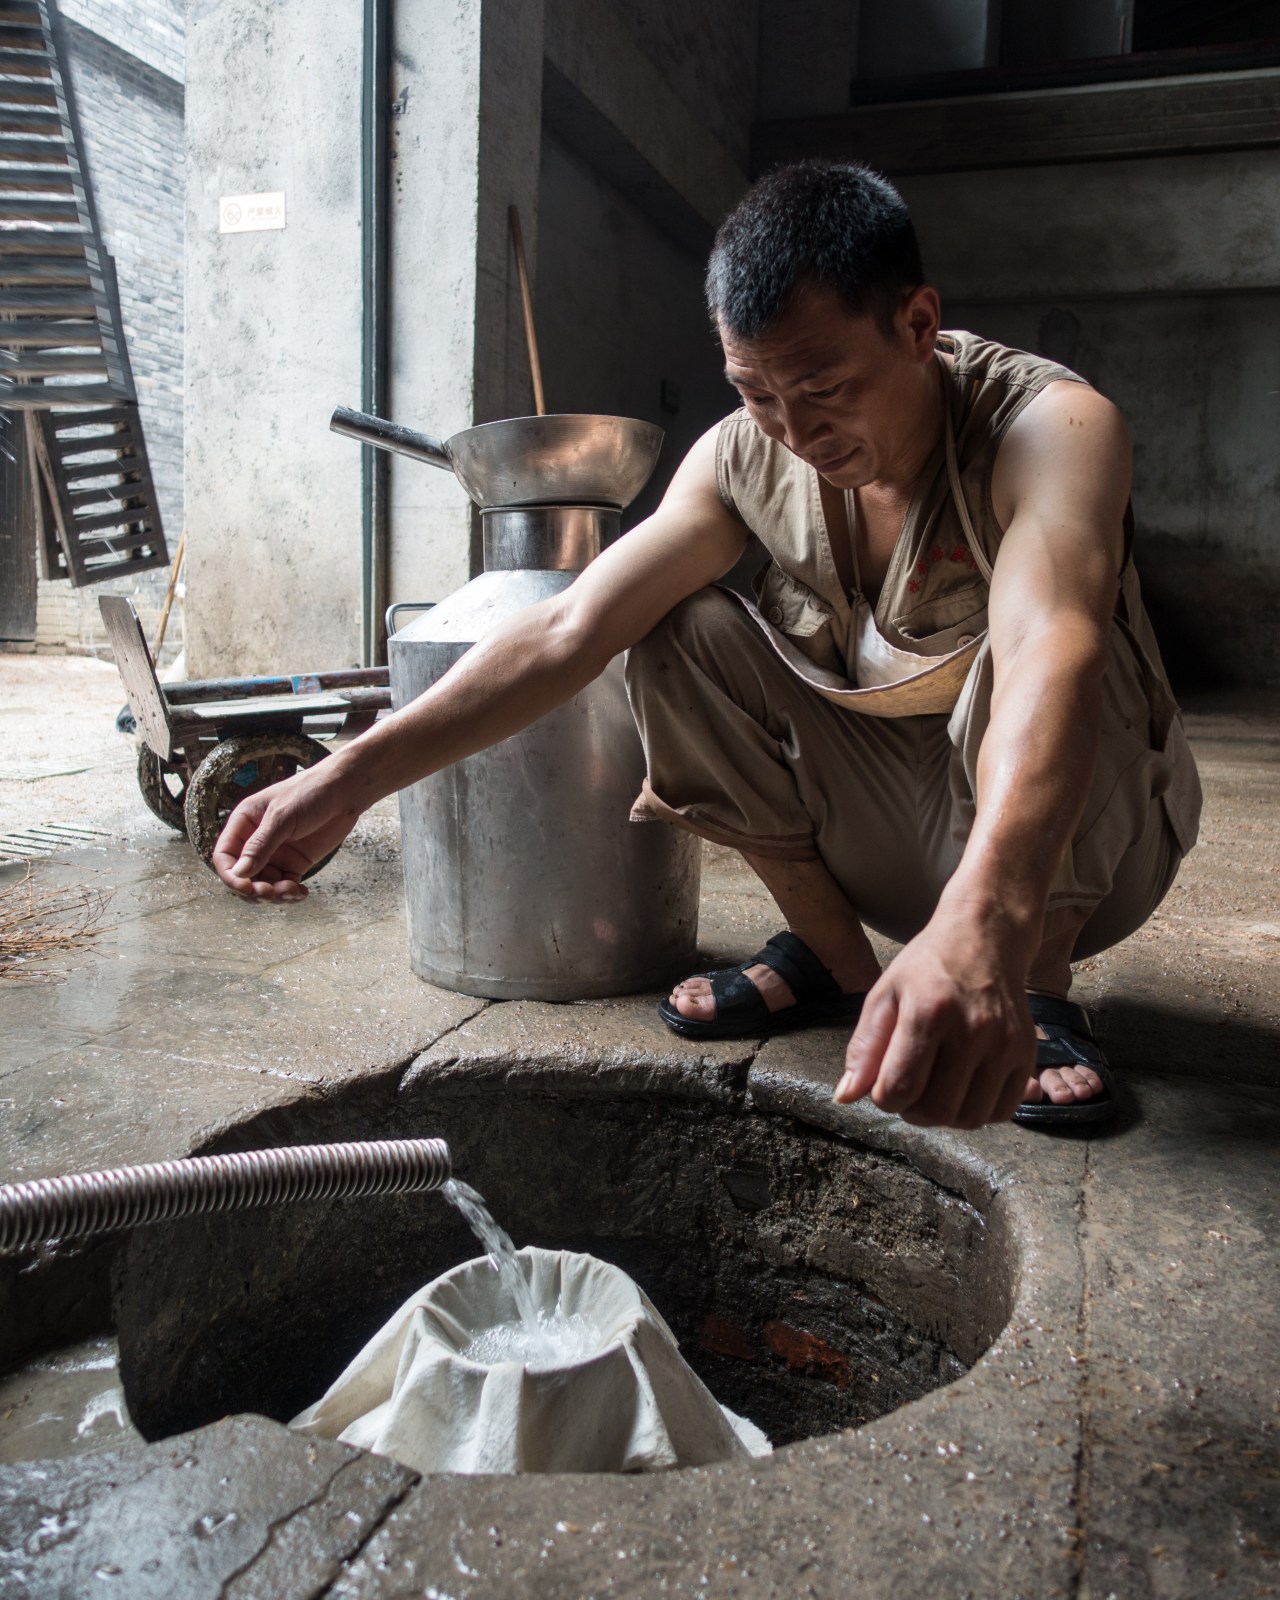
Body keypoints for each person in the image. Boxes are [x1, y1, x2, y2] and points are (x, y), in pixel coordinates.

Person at [212, 161, 1201, 1133]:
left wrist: (985, 922)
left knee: (1075, 642)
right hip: (889, 832)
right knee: (673, 628)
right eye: (757, 392)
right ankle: (830, 961)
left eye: (823, 388)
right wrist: (346, 777)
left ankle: (1030, 989)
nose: (794, 430)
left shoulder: (1048, 424)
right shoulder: (742, 452)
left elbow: (1046, 648)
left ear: (914, 323)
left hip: (1072, 859)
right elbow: (567, 628)